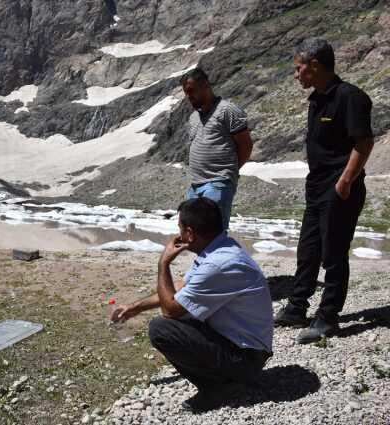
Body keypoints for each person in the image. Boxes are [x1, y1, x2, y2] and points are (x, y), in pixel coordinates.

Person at [111, 197, 273, 412]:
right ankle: (227, 378)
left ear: (189, 233)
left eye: (179, 228)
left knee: (162, 328)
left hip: (246, 358)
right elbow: (182, 287)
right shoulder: (222, 247)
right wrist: (135, 308)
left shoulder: (218, 263)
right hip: (247, 348)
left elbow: (170, 310)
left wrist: (164, 263)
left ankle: (217, 388)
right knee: (184, 314)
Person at [274, 38, 375, 344]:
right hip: (316, 186)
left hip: (339, 187)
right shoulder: (317, 99)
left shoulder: (350, 97)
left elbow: (364, 142)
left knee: (333, 253)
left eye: (298, 68)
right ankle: (297, 306)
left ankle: (328, 318)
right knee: (308, 251)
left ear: (314, 66)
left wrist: (345, 181)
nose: (296, 75)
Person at [181, 68, 254, 230]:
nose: (188, 96)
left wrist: (228, 172)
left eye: (191, 91)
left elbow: (246, 145)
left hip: (218, 183)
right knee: (193, 231)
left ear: (206, 86)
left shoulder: (228, 111)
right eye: (186, 92)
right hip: (195, 185)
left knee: (213, 232)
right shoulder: (193, 117)